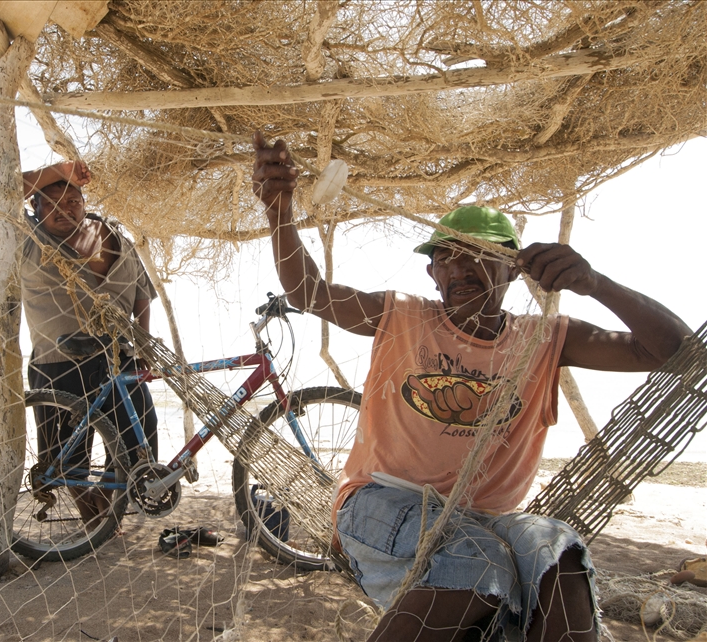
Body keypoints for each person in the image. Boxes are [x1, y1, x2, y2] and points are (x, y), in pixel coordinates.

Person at [250, 132, 691, 642]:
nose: (460, 267)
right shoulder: (402, 315)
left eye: (477, 254)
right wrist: (279, 207)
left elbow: (676, 352)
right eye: (446, 258)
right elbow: (309, 291)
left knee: (560, 555)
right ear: (433, 273)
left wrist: (596, 284)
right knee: (475, 563)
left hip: (488, 521)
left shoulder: (543, 339)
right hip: (380, 504)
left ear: (513, 266)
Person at [21, 160, 159, 523]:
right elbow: (7, 192)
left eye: (73, 201)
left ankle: (107, 504)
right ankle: (89, 514)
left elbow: (142, 291)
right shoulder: (30, 240)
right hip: (56, 363)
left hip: (117, 359)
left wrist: (142, 341)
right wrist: (61, 170)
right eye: (51, 202)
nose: (65, 209)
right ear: (35, 209)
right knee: (66, 455)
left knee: (139, 442)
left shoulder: (115, 238)